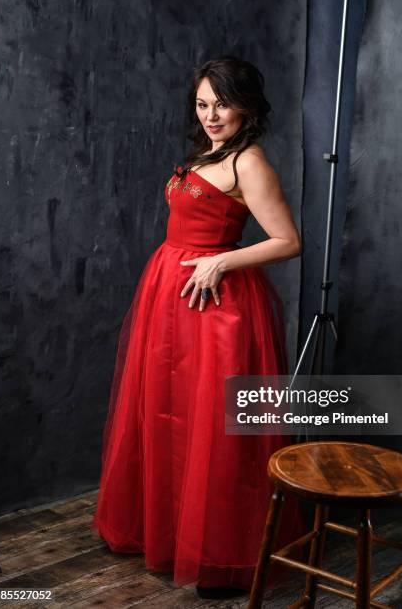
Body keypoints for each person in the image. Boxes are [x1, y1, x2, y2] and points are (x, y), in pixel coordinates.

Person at [91, 56, 305, 599]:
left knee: (217, 430)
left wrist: (220, 261)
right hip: (170, 297)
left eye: (223, 104)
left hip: (217, 305)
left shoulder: (249, 163)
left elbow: (287, 240)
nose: (211, 115)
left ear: (247, 107)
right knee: (168, 414)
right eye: (203, 104)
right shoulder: (211, 152)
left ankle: (222, 555)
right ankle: (161, 531)